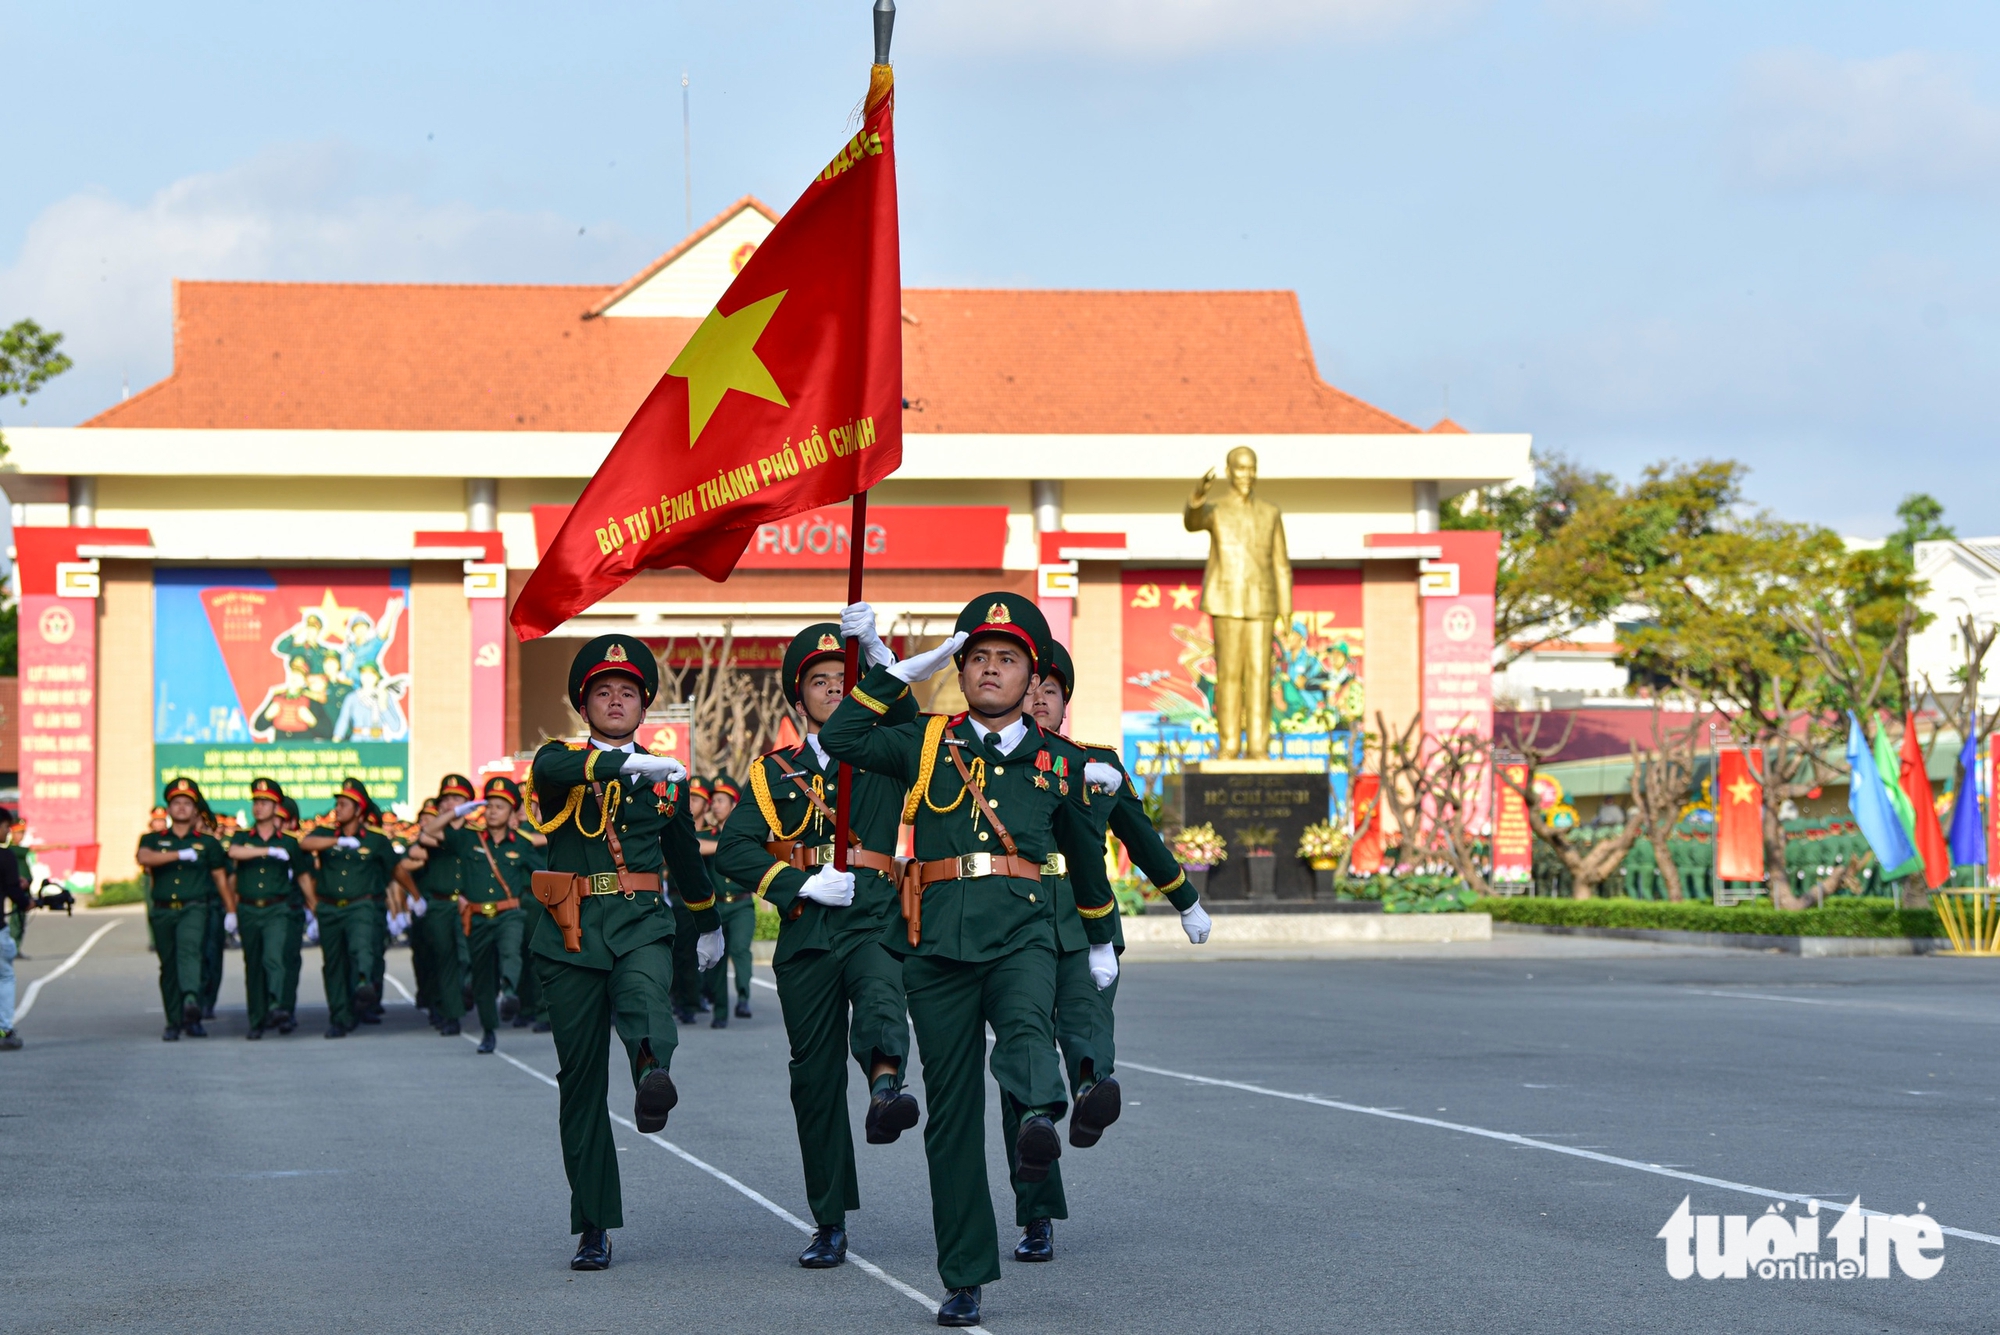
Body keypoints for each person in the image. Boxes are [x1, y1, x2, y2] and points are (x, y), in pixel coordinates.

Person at [821, 593, 1119, 1327]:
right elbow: (845, 736)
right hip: (937, 944)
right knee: (951, 1116)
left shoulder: (1060, 761)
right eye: (977, 657)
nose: (990, 669)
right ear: (959, 671)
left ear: (1032, 677)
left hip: (1023, 931)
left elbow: (1085, 859)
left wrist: (1099, 935)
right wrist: (893, 675)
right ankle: (963, 1276)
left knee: (1025, 1027)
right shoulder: (926, 741)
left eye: (1007, 659)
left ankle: (1037, 1120)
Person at [716, 622, 922, 1270]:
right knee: (813, 1078)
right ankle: (829, 1220)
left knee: (882, 995)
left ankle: (886, 1088)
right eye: (820, 681)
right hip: (808, 926)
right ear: (798, 696)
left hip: (873, 913)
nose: (835, 689)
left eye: (845, 680)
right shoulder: (773, 771)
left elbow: (912, 726)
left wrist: (886, 662)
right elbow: (734, 848)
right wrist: (798, 883)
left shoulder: (884, 750)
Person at [526, 633, 725, 1271]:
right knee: (580, 1082)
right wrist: (623, 767)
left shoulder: (667, 779)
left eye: (629, 693)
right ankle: (593, 1225)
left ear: (645, 705)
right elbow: (552, 774)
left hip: (640, 920)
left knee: (645, 999)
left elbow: (685, 858)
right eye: (604, 692)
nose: (616, 701)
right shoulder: (560, 761)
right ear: (584, 706)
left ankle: (650, 1077)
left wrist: (708, 922)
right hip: (572, 933)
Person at [1008, 638, 1210, 1262]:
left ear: (1065, 702)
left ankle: (1093, 1090)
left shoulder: (1098, 765)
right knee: (1026, 1065)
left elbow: (1141, 840)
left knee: (1088, 1022)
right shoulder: (989, 764)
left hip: (1085, 924)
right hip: (1013, 924)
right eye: (1030, 690)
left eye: (1050, 691)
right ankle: (1037, 1214)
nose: (1039, 700)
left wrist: (1186, 901)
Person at [423, 775, 543, 1054]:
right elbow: (429, 830)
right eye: (489, 806)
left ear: (512, 812)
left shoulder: (521, 843)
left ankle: (510, 993)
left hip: (509, 913)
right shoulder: (468, 838)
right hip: (477, 918)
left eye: (500, 807)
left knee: (511, 951)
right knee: (482, 976)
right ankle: (489, 1030)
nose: (492, 812)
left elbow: (541, 871)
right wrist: (457, 811)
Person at [297, 778, 399, 1038]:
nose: (338, 809)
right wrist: (336, 842)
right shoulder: (325, 833)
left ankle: (364, 982)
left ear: (358, 810)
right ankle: (340, 1018)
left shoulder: (375, 839)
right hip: (329, 908)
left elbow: (393, 870)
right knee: (334, 964)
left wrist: (398, 907)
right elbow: (304, 844)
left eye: (344, 804)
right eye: (338, 804)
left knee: (361, 947)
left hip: (361, 905)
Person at [135, 778, 233, 1040]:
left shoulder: (208, 843)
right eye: (176, 803)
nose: (181, 807)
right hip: (163, 910)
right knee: (169, 965)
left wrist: (231, 910)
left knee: (191, 954)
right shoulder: (152, 839)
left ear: (194, 810)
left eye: (187, 803)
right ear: (169, 808)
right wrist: (178, 855)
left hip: (194, 908)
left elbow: (220, 877)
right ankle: (173, 1021)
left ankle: (191, 1003)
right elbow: (144, 857)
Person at [226, 777, 310, 1039]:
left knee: (274, 957)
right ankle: (257, 1019)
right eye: (256, 802)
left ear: (276, 807)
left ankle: (277, 1005)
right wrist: (267, 852)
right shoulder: (243, 837)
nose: (259, 807)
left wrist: (315, 908)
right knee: (253, 965)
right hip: (249, 909)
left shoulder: (289, 842)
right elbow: (234, 852)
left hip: (278, 909)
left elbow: (303, 876)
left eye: (265, 802)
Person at [405, 781, 474, 1036]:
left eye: (456, 799)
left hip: (468, 904)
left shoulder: (476, 833)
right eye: (445, 799)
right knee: (444, 960)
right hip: (440, 903)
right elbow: (418, 846)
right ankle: (451, 1014)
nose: (449, 804)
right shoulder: (432, 833)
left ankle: (467, 989)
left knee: (467, 956)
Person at [699, 774, 755, 1028]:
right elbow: (695, 845)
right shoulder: (708, 834)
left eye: (721, 800)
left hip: (742, 904)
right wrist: (726, 844)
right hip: (718, 905)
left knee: (740, 949)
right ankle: (720, 1012)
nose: (715, 805)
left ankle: (743, 998)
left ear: (734, 805)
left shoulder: (746, 832)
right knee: (717, 959)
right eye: (714, 801)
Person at [671, 776, 713, 1025]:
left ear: (706, 806)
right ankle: (681, 1000)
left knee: (698, 954)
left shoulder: (713, 833)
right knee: (680, 954)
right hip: (677, 899)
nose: (690, 803)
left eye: (696, 799)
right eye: (689, 797)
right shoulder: (674, 825)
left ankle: (694, 999)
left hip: (704, 900)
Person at [276, 796, 312, 1033]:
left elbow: (308, 880)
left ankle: (285, 1009)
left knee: (288, 962)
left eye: (283, 820)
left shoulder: (298, 848)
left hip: (291, 911)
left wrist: (314, 911)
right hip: (263, 912)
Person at [0, 831, 29, 1050]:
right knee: (5, 976)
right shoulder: (5, 856)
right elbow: (12, 889)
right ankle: (4, 1029)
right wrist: (26, 901)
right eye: (5, 826)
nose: (7, 832)